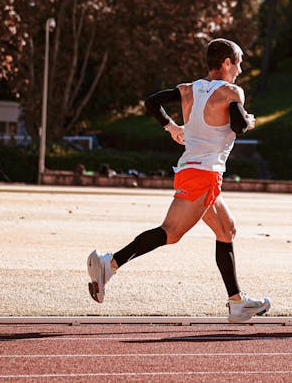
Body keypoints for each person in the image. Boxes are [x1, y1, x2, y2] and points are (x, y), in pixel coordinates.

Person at [86, 38, 270, 322]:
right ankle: (109, 263)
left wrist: (172, 128)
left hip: (190, 169)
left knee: (227, 230)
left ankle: (237, 303)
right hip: (205, 174)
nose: (241, 69)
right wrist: (248, 120)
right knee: (170, 233)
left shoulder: (187, 89)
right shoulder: (232, 92)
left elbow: (152, 102)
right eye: (239, 62)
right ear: (225, 63)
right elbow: (237, 125)